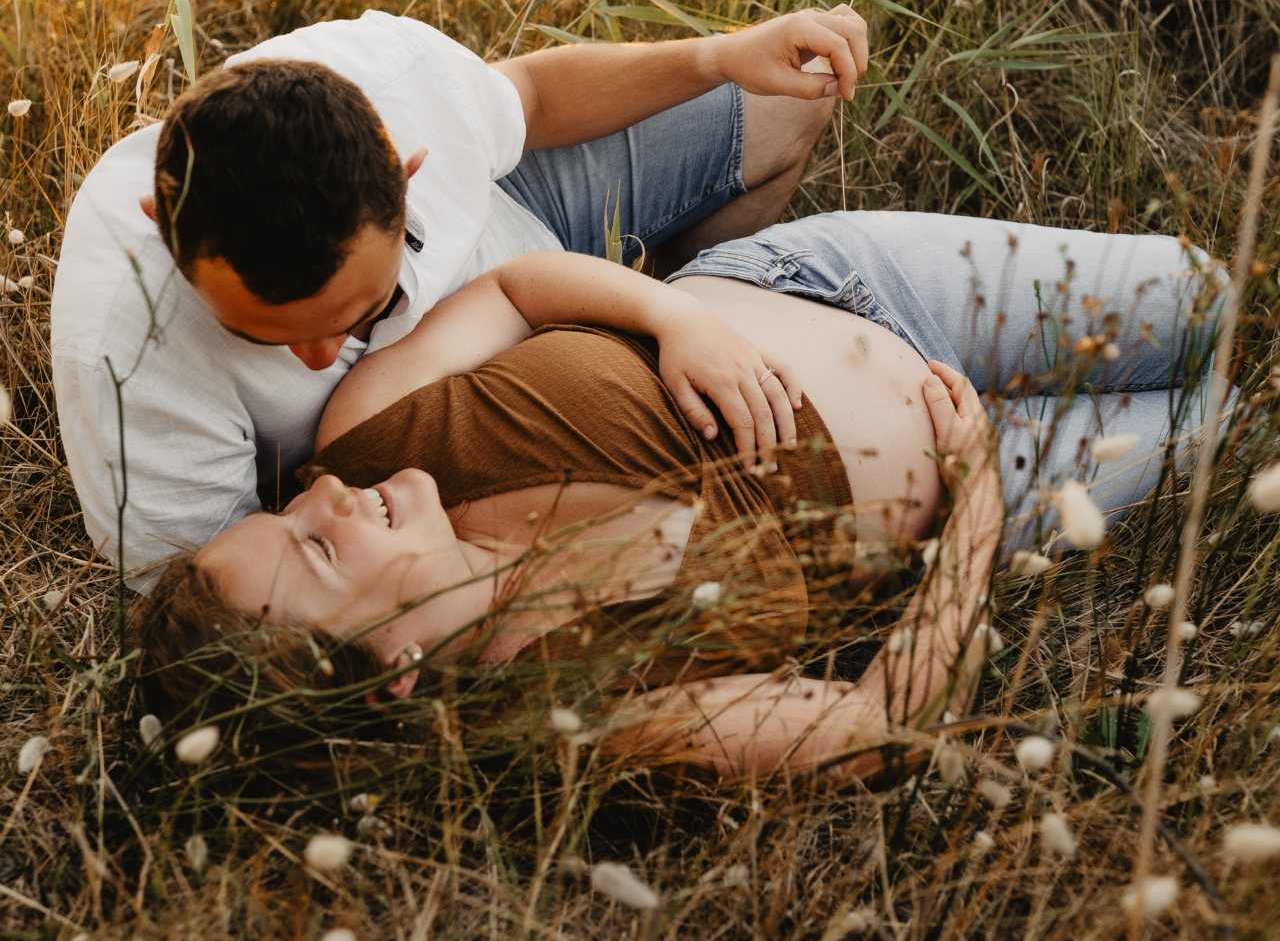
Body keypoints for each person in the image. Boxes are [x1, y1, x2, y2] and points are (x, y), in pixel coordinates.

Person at [132, 212, 1224, 784]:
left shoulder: (371, 429)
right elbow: (877, 727)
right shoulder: (582, 717)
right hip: (986, 481)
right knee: (1237, 425)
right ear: (385, 679)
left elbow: (513, 288)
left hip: (836, 283)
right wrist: (975, 495)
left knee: (1210, 298)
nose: (321, 498)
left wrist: (674, 322)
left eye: (281, 515)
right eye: (313, 552)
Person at [51, 2, 868, 583]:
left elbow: (534, 98)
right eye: (266, 339)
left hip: (531, 223)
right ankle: (646, 346)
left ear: (405, 169)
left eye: (359, 316)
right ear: (163, 227)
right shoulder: (128, 359)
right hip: (462, 420)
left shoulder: (390, 77)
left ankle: (689, 304)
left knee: (784, 94)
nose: (322, 359)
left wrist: (718, 57)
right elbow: (238, 600)